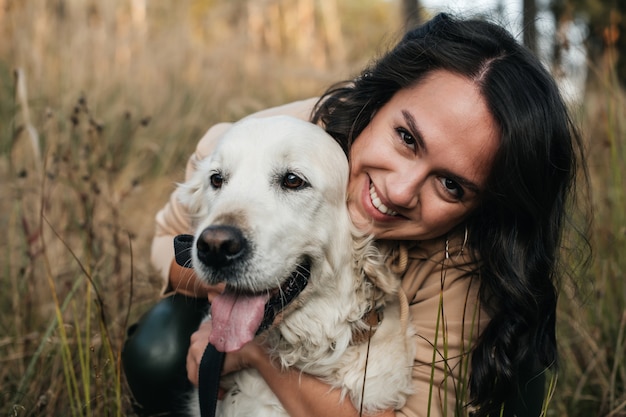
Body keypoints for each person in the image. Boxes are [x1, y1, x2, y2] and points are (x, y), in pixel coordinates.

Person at [122, 12, 590, 417]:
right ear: (379, 99)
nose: (399, 189)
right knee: (158, 347)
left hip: (397, 361)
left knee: (515, 366)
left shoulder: (462, 261)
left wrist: (254, 355)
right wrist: (232, 276)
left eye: (451, 184)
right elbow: (168, 239)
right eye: (406, 137)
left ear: (482, 205)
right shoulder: (260, 142)